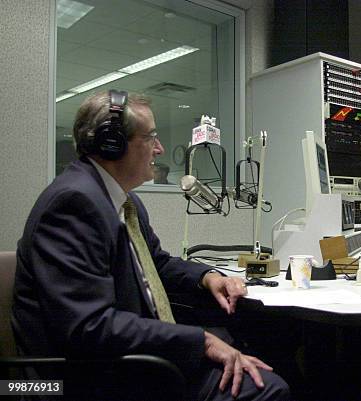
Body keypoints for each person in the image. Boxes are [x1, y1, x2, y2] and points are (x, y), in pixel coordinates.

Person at [12, 90, 289, 401]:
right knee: (268, 389)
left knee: (260, 353)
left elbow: (155, 262)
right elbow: (90, 327)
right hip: (90, 380)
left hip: (128, 360)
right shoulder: (73, 204)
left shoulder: (123, 201)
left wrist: (209, 277)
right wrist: (202, 341)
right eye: (151, 137)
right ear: (113, 144)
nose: (159, 149)